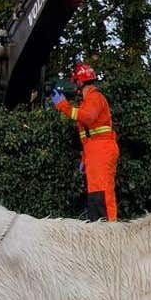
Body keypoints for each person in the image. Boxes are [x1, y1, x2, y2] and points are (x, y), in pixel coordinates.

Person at [52, 62, 120, 221]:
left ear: (80, 81)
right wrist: (85, 157)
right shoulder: (89, 100)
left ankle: (108, 233)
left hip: (101, 150)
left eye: (75, 81)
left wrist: (63, 106)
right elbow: (90, 134)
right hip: (96, 150)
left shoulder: (95, 97)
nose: (74, 85)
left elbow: (87, 117)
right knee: (97, 193)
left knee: (101, 193)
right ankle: (100, 230)